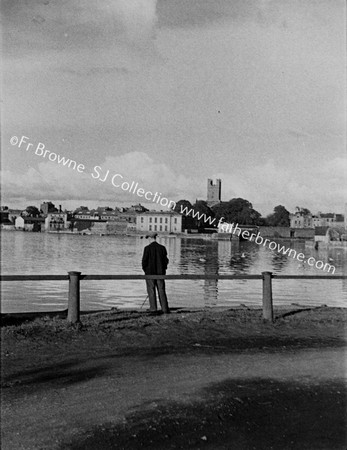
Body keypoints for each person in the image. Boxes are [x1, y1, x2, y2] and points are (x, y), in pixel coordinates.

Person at [141, 232, 170, 313]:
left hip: (150, 274)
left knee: (151, 291)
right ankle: (165, 309)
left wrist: (146, 271)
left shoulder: (147, 248)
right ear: (155, 238)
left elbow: (144, 262)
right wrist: (163, 270)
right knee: (161, 290)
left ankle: (153, 308)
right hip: (160, 274)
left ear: (150, 238)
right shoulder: (162, 248)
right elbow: (166, 261)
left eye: (148, 238)